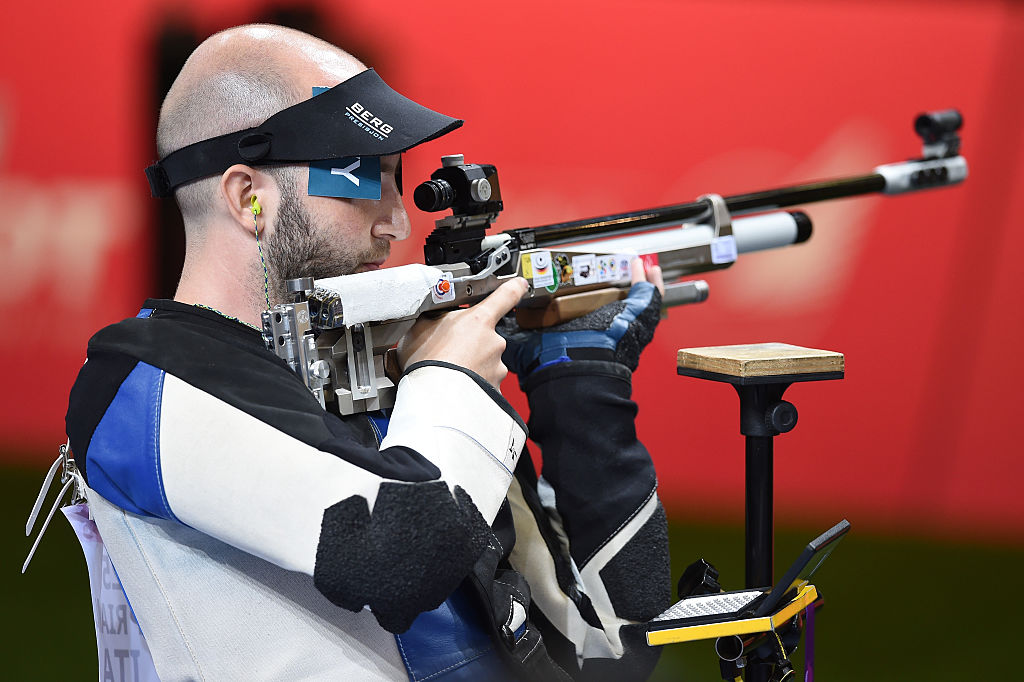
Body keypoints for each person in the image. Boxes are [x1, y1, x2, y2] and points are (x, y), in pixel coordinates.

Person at [65, 24, 671, 681]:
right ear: (247, 198)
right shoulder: (142, 386)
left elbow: (614, 652)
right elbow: (395, 555)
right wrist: (450, 380)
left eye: (395, 177)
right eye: (360, 178)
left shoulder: (390, 381)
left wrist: (582, 386)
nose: (399, 220)